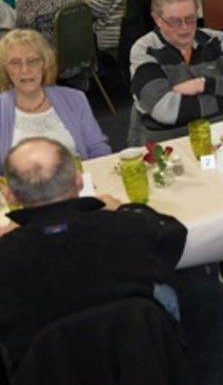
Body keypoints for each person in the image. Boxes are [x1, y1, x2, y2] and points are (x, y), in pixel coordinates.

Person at [0, 138, 188, 364]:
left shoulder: (7, 251)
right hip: (139, 359)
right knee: (165, 294)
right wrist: (124, 209)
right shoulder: (123, 228)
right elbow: (173, 235)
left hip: (47, 374)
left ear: (11, 196)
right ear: (79, 181)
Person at [130, 0, 223, 139]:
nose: (185, 27)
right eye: (175, 21)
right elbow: (166, 110)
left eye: (191, 18)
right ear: (157, 19)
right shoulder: (145, 49)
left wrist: (201, 85)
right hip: (172, 138)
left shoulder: (216, 39)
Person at [0, 29, 110, 166]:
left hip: (76, 182)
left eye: (32, 61)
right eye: (15, 63)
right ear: (5, 69)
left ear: (44, 65)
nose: (24, 69)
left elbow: (98, 149)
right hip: (19, 187)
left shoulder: (74, 99)